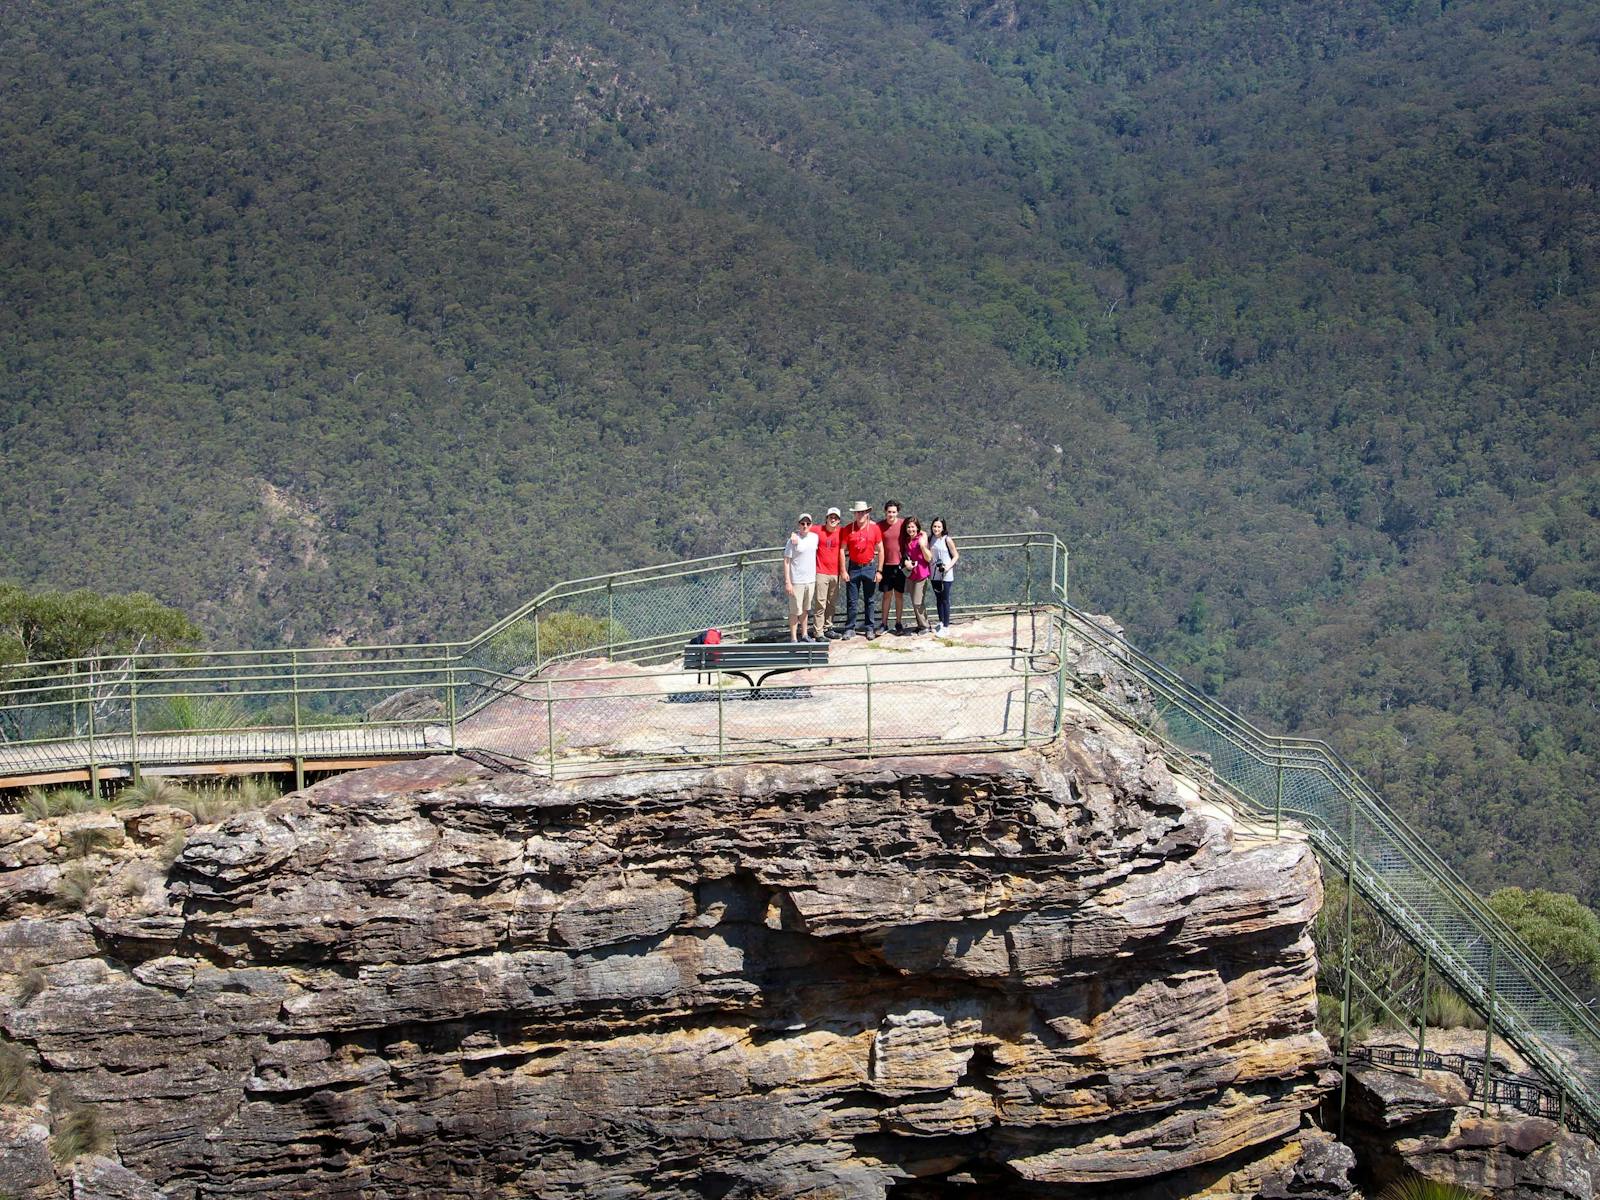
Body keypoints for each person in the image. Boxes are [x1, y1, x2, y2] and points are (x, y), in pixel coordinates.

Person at [840, 501, 883, 639]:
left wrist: (879, 570)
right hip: (853, 567)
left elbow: (881, 549)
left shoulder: (874, 528)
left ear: (867, 513)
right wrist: (843, 570)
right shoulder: (848, 529)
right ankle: (850, 628)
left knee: (869, 599)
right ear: (854, 513)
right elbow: (842, 549)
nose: (860, 515)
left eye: (863, 512)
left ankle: (869, 628)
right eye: (858, 512)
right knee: (852, 600)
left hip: (869, 567)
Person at [782, 513, 820, 642]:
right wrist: (788, 582)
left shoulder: (815, 537)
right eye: (802, 523)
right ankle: (793, 638)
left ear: (811, 525)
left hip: (810, 580)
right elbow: (786, 561)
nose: (805, 526)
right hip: (796, 581)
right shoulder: (792, 541)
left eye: (808, 523)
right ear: (799, 524)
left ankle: (804, 634)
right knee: (794, 611)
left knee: (805, 609)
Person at [811, 507, 845, 639]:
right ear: (826, 518)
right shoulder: (817, 530)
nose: (833, 519)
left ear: (839, 520)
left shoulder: (841, 532)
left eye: (835, 517)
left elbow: (856, 531)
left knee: (832, 602)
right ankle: (818, 632)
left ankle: (828, 627)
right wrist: (794, 535)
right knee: (821, 602)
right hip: (821, 572)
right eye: (831, 517)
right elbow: (803, 530)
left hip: (835, 573)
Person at [877, 499, 907, 634]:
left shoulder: (903, 524)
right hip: (885, 565)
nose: (891, 514)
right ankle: (884, 623)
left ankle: (898, 623)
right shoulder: (879, 526)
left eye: (894, 512)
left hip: (900, 565)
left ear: (897, 512)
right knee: (886, 595)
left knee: (899, 595)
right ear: (885, 512)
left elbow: (917, 532)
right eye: (889, 512)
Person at [928, 517, 959, 633]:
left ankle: (946, 627)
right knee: (938, 599)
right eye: (934, 526)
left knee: (945, 599)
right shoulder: (930, 539)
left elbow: (956, 555)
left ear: (943, 528)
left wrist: (948, 567)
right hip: (934, 573)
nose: (936, 529)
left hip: (946, 574)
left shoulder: (947, 539)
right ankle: (941, 622)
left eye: (939, 527)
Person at [901, 517, 931, 633]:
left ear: (917, 527)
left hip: (921, 574)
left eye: (913, 526)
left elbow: (929, 558)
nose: (910, 529)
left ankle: (925, 626)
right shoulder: (907, 540)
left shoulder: (921, 539)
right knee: (914, 601)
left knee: (918, 602)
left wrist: (923, 546)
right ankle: (920, 624)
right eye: (908, 527)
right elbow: (905, 555)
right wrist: (906, 562)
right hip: (911, 574)